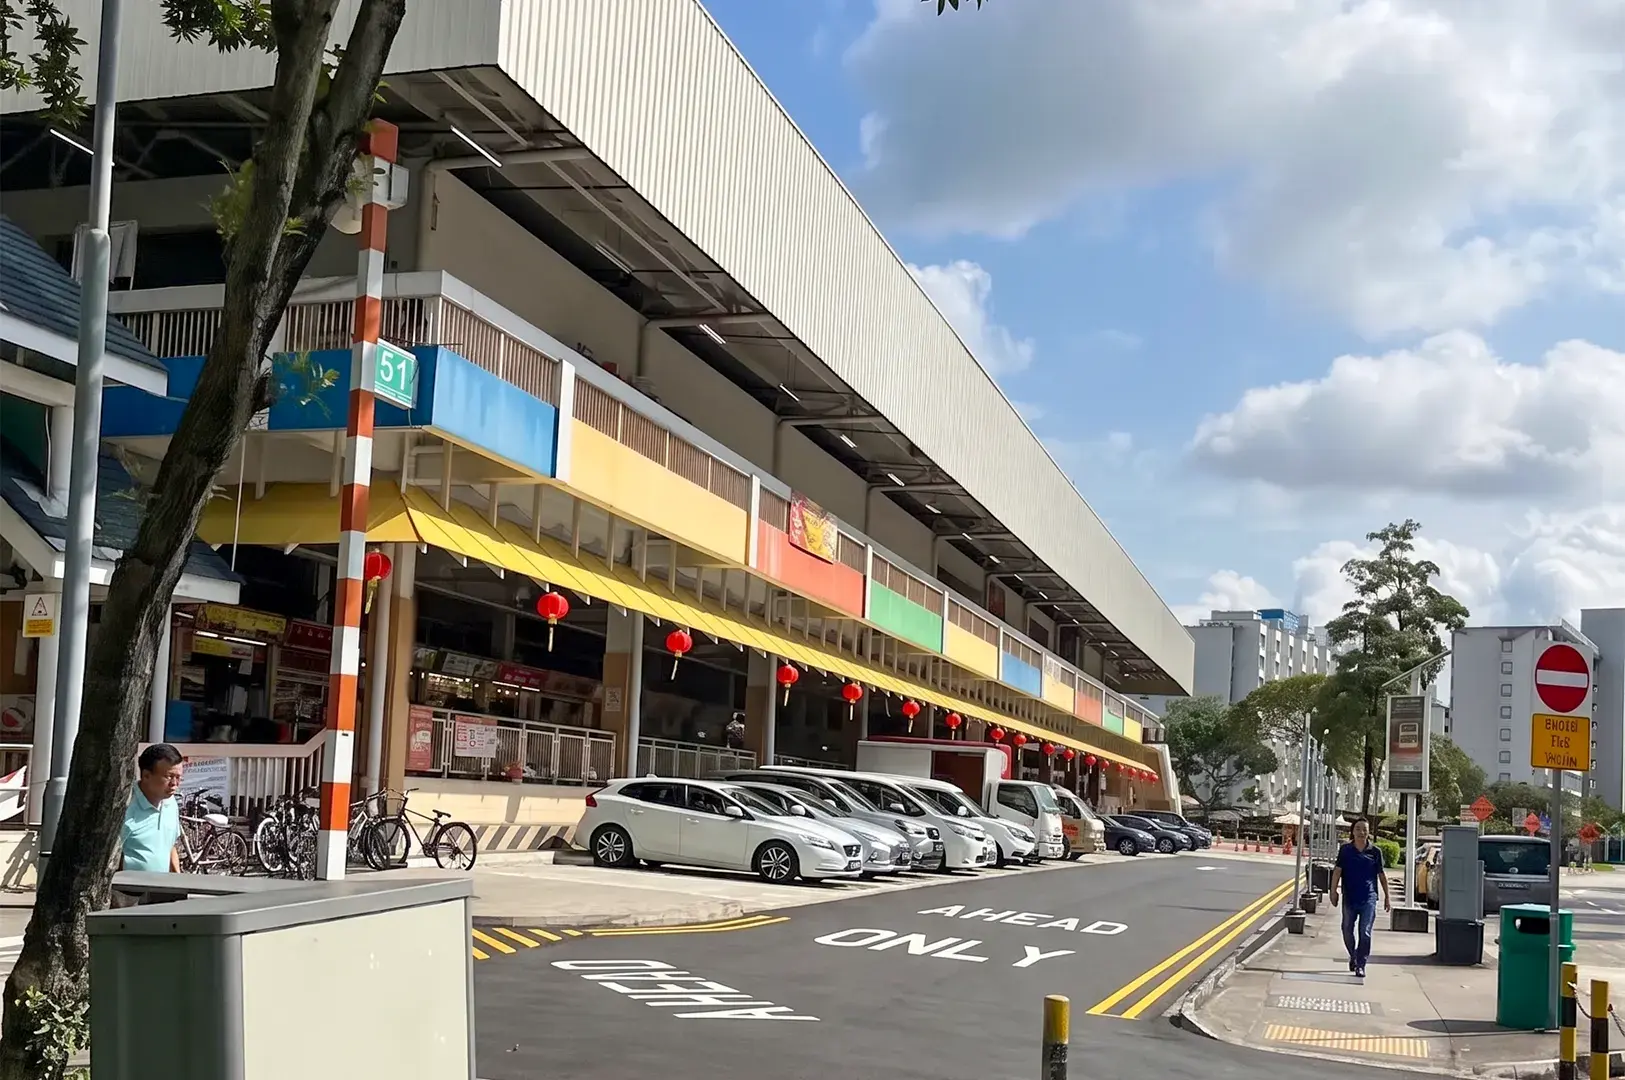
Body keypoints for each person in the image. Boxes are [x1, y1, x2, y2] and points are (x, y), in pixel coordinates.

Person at [1329, 816, 1391, 977]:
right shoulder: (1345, 850)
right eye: (1358, 829)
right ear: (1352, 831)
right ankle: (1353, 955)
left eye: (1364, 829)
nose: (1361, 832)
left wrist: (1387, 897)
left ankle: (1361, 964)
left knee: (1365, 932)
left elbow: (1382, 875)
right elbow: (1337, 871)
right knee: (1347, 930)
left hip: (1369, 898)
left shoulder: (1375, 852)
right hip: (1349, 897)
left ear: (1369, 832)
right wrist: (1333, 890)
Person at [121, 743, 184, 874]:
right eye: (169, 777)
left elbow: (170, 846)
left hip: (162, 889)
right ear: (146, 776)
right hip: (126, 891)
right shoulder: (124, 806)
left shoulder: (171, 803)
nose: (174, 784)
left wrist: (178, 881)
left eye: (178, 777)